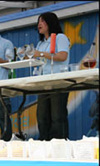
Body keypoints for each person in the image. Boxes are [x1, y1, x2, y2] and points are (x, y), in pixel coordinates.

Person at [32, 12, 71, 140]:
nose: (39, 24)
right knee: (42, 116)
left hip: (58, 81)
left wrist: (42, 54)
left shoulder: (60, 37)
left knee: (57, 116)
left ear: (50, 22)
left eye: (42, 21)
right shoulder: (41, 43)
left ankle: (59, 143)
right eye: (38, 22)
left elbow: (62, 56)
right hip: (43, 82)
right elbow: (37, 60)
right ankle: (44, 142)